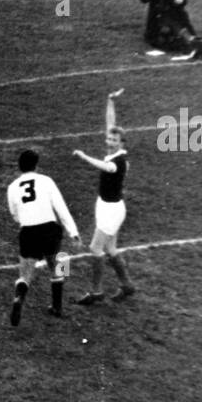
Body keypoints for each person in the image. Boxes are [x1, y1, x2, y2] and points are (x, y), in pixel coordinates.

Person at [6, 148, 80, 325]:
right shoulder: (46, 181)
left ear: (19, 167)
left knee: (25, 274)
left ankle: (19, 298)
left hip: (28, 231)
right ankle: (57, 307)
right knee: (59, 264)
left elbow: (14, 214)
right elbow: (61, 207)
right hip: (49, 229)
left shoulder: (12, 187)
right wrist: (73, 232)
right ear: (36, 166)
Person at [71, 126, 135, 304]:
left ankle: (96, 291)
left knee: (95, 248)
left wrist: (84, 157)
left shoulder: (119, 161)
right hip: (106, 206)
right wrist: (110, 102)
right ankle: (127, 285)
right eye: (109, 139)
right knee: (110, 248)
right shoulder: (116, 155)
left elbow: (105, 166)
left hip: (111, 211)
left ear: (121, 143)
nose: (110, 142)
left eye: (114, 140)